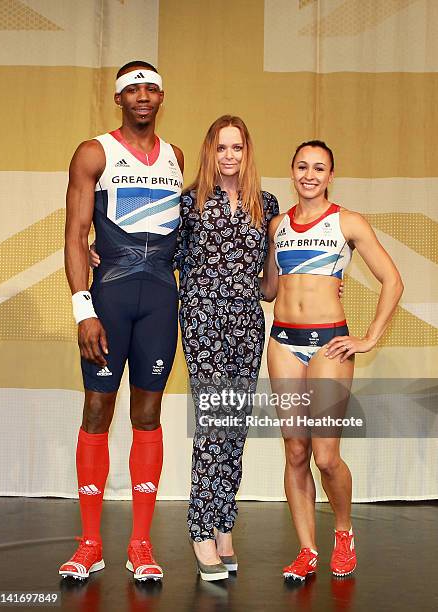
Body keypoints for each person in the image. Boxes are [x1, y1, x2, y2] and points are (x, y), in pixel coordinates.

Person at [60, 60, 184, 582]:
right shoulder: (94, 152)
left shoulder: (176, 157)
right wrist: (83, 309)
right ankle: (90, 544)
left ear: (161, 96)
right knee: (96, 410)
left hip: (160, 300)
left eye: (151, 87)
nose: (142, 95)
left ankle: (140, 544)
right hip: (108, 301)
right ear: (118, 99)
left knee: (148, 416)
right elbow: (74, 235)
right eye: (132, 88)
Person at [262, 140, 403, 580]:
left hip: (329, 345)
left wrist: (368, 338)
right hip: (283, 341)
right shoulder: (277, 225)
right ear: (292, 171)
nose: (310, 174)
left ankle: (343, 531)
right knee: (295, 450)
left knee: (325, 456)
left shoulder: (348, 222)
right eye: (302, 166)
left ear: (330, 175)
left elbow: (393, 281)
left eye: (319, 168)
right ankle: (307, 551)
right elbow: (268, 288)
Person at [175, 116, 280, 580]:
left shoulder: (267, 203)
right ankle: (200, 529)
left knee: (235, 428)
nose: (230, 155)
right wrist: (102, 250)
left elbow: (271, 284)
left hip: (248, 323)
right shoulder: (190, 202)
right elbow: (161, 256)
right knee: (213, 424)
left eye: (237, 147)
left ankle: (223, 527)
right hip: (203, 320)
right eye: (222, 147)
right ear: (210, 151)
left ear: (248, 150)